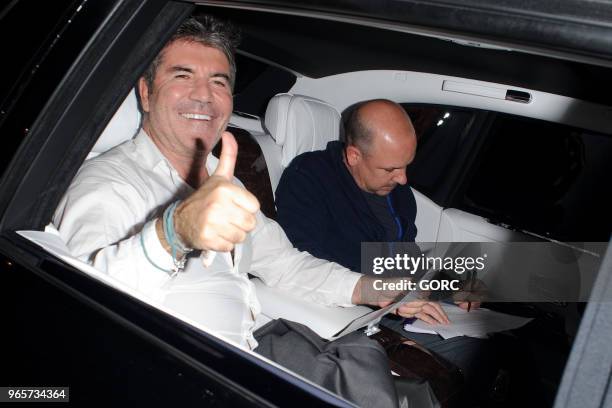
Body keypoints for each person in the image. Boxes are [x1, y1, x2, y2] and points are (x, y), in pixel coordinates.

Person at [53, 15, 434, 408]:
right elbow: (79, 309)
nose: (204, 94)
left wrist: (371, 288)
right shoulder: (107, 184)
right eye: (182, 76)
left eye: (219, 81)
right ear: (146, 94)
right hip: (183, 372)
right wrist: (172, 233)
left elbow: (285, 264)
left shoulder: (227, 182)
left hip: (256, 350)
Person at [275, 99, 495, 403]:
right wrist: (390, 307)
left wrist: (451, 285)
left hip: (403, 305)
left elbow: (407, 259)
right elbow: (308, 265)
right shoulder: (308, 180)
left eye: (406, 166)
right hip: (359, 314)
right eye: (391, 168)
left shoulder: (398, 194)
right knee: (482, 357)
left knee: (503, 340)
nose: (403, 179)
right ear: (354, 155)